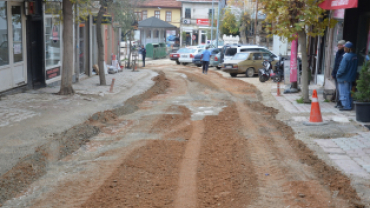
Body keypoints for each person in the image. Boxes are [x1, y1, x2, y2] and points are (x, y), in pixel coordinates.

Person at [336, 42, 358, 111]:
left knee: (343, 92)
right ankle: (349, 105)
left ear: (348, 48)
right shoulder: (355, 56)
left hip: (343, 77)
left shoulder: (346, 56)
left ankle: (346, 106)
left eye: (345, 48)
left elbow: (342, 68)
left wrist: (338, 74)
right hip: (351, 77)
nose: (344, 49)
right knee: (349, 92)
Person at [331, 40, 346, 108]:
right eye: (338, 45)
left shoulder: (345, 54)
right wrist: (333, 73)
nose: (339, 46)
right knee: (338, 89)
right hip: (337, 73)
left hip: (342, 74)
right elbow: (335, 64)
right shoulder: (338, 53)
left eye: (340, 45)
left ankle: (341, 103)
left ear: (343, 46)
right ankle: (338, 102)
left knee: (342, 89)